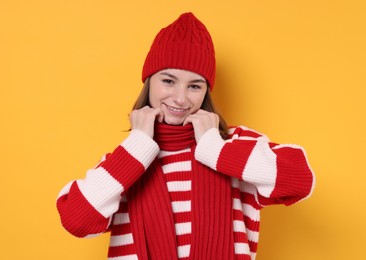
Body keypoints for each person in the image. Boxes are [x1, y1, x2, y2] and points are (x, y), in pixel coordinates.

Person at [56, 12, 315, 260]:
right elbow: (76, 221)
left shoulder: (233, 146)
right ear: (149, 82)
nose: (180, 98)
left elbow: (299, 180)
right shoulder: (126, 161)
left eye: (194, 86)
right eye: (168, 81)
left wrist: (214, 148)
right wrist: (139, 145)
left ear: (206, 92)